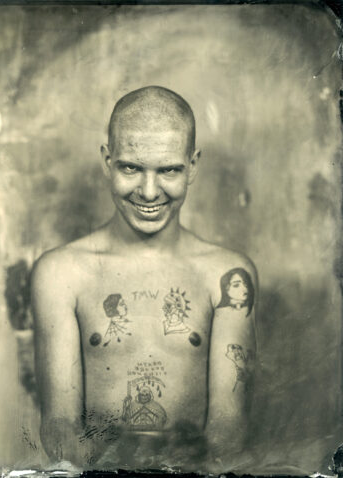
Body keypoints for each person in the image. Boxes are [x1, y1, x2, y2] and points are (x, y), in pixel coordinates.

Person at [32, 86, 257, 470]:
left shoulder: (227, 275)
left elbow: (229, 425)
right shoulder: (60, 273)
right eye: (131, 168)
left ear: (193, 165)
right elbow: (60, 423)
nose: (149, 192)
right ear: (107, 161)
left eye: (169, 170)